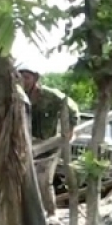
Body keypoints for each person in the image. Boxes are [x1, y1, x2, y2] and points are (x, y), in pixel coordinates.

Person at [15, 62, 80, 216]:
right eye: (21, 77)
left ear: (35, 78)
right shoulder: (17, 97)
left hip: (50, 143)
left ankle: (51, 213)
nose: (24, 81)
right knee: (23, 179)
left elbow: (72, 109)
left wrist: (70, 130)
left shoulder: (50, 95)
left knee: (43, 179)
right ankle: (27, 214)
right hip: (28, 142)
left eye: (27, 77)